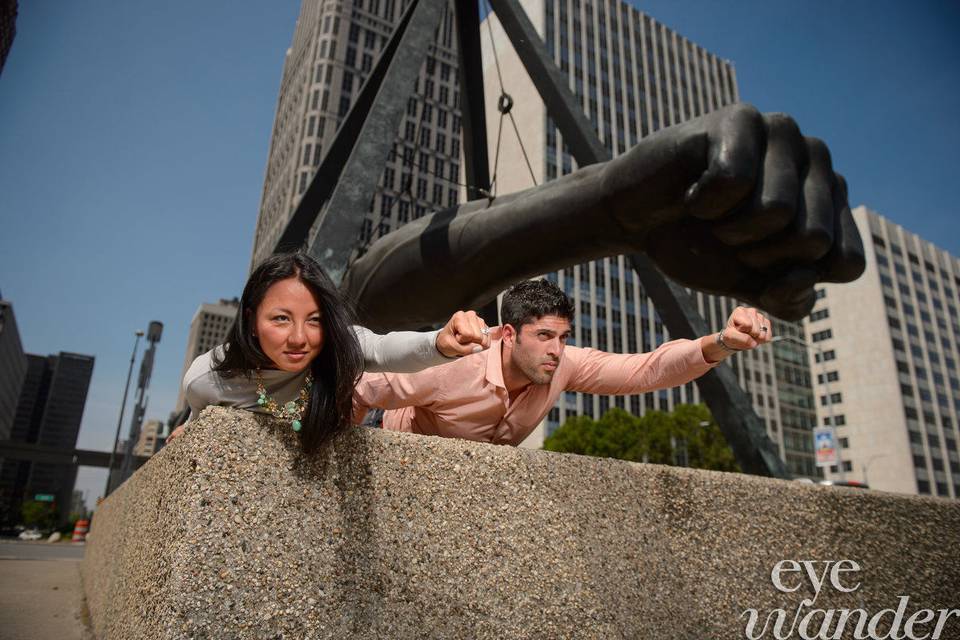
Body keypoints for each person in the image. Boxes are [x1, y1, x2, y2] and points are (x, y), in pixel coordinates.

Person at [353, 279, 773, 445]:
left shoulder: (562, 365)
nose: (557, 349)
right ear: (510, 334)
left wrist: (722, 342)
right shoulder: (457, 363)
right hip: (395, 443)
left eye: (563, 337)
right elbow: (360, 390)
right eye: (544, 337)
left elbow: (644, 369)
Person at [170, 252, 496, 451]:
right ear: (251, 321)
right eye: (281, 319)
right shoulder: (205, 378)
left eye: (314, 320)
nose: (299, 338)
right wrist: (191, 427)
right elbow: (202, 416)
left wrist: (440, 341)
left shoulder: (337, 346)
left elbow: (383, 349)